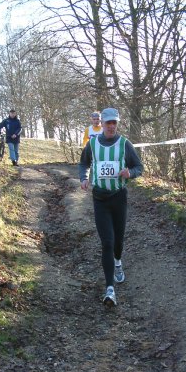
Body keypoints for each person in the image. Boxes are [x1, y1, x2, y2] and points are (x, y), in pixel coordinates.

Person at [79, 107, 143, 307]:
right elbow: (84, 163)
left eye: (114, 122)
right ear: (102, 124)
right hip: (100, 199)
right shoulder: (93, 144)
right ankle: (110, 289)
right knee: (107, 242)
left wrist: (129, 173)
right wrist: (84, 178)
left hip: (119, 197)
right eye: (108, 123)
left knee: (118, 241)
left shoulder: (125, 144)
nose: (111, 126)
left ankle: (118, 262)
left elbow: (139, 167)